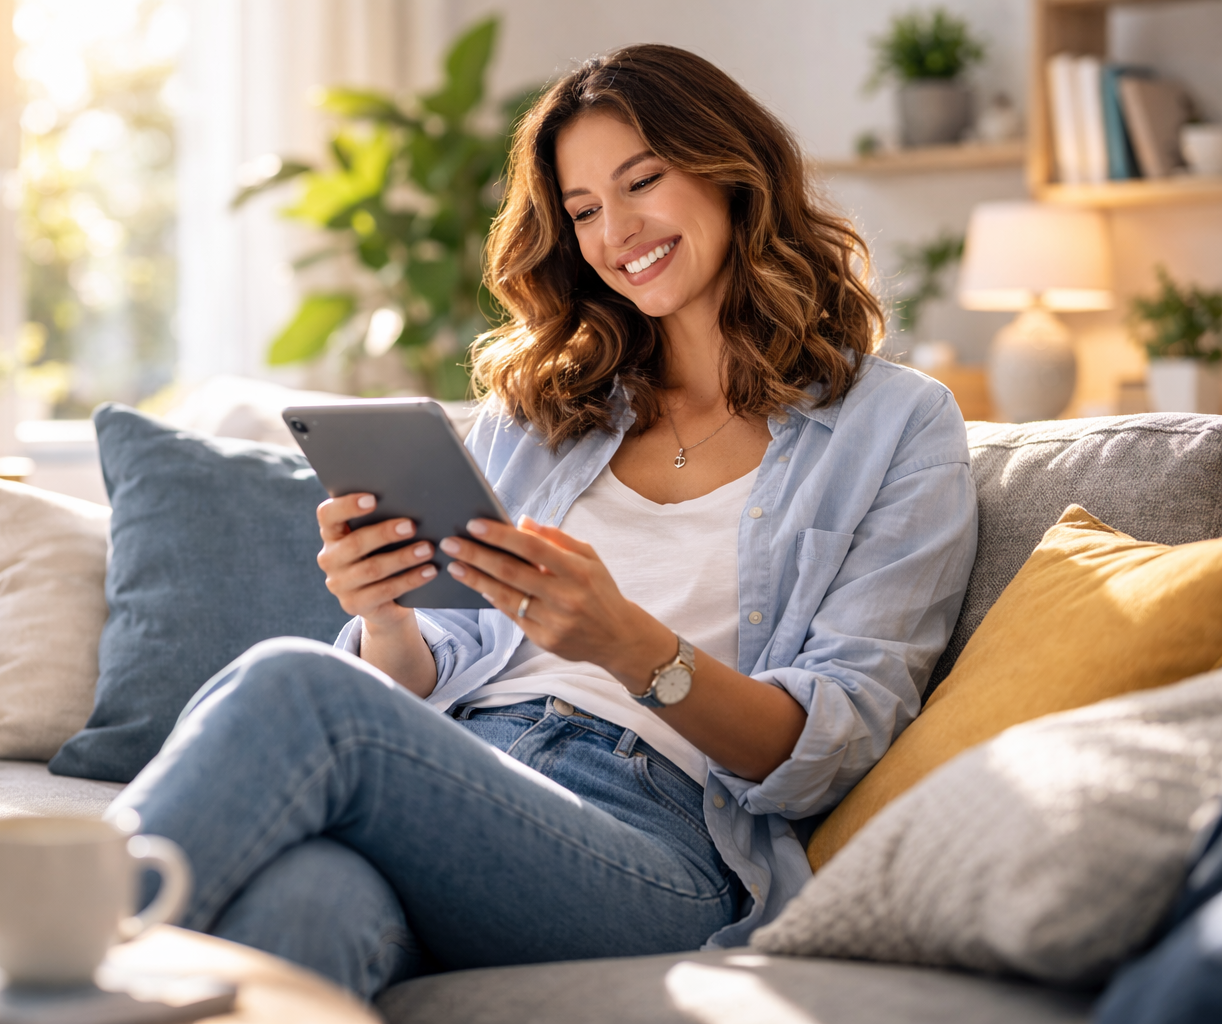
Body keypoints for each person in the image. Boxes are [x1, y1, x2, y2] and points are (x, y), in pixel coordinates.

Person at [108, 44, 977, 1000]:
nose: (617, 232)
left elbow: (832, 746)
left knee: (294, 684)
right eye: (585, 210)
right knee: (307, 905)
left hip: (662, 837)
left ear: (734, 172)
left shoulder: (898, 425)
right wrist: (388, 616)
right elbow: (434, 664)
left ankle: (19, 956)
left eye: (642, 180)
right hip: (460, 772)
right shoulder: (550, 410)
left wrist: (629, 644)